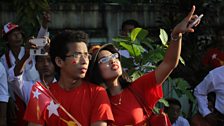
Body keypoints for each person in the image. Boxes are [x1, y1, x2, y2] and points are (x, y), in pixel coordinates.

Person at [88, 5, 200, 125]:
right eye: (105, 60)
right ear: (96, 71)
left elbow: (169, 63)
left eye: (114, 56)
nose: (113, 60)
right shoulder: (94, 101)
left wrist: (176, 34)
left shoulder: (137, 88)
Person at [24, 30, 114, 126]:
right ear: (59, 61)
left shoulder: (97, 93)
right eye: (77, 55)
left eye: (86, 55)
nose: (84, 61)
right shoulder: (41, 95)